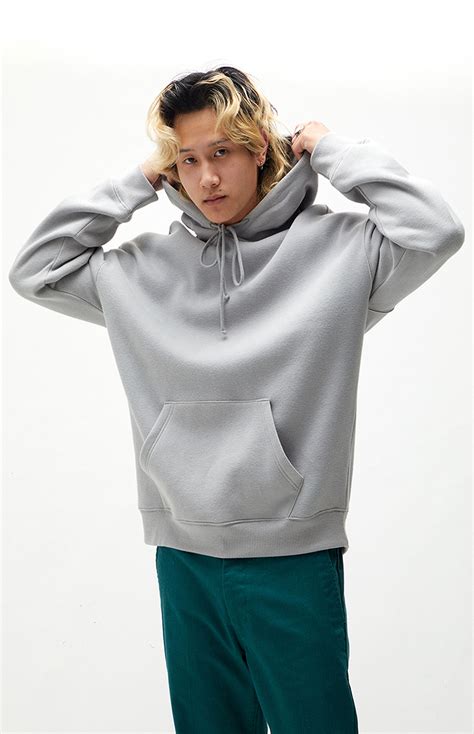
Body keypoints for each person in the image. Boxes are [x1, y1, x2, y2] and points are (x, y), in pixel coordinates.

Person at [8, 65, 465, 733]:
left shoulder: (342, 253)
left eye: (221, 151)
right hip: (183, 554)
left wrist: (332, 149)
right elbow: (33, 271)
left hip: (293, 554)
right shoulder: (140, 271)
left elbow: (436, 230)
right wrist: (137, 181)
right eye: (188, 160)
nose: (207, 178)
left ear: (259, 148)